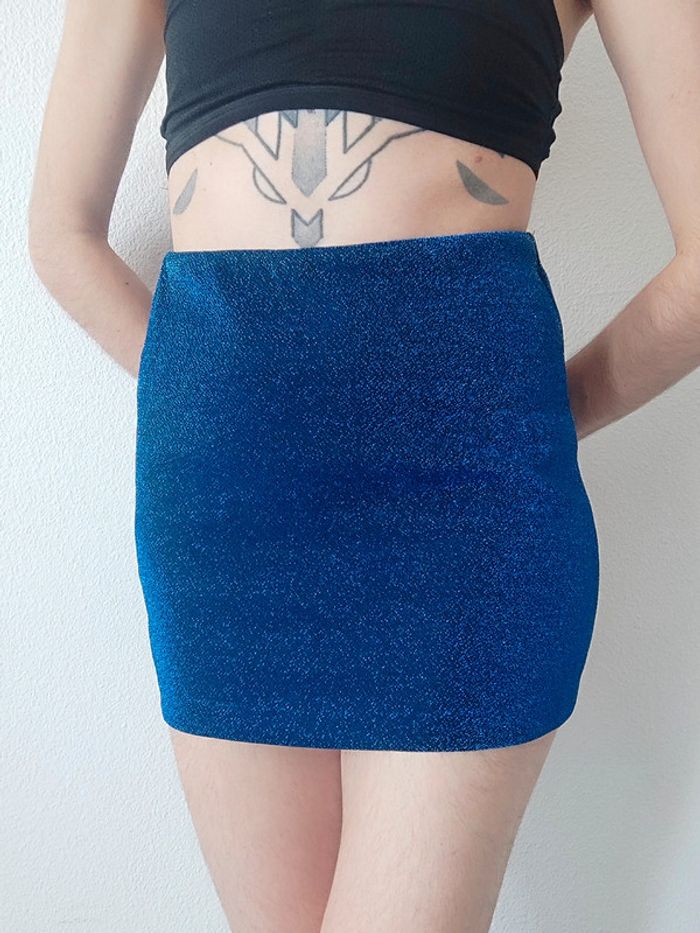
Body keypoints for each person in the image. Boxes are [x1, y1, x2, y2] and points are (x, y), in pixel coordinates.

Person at [27, 1, 700, 930]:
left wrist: (540, 412)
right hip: (227, 506)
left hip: (468, 504)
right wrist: (212, 384)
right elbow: (61, 234)